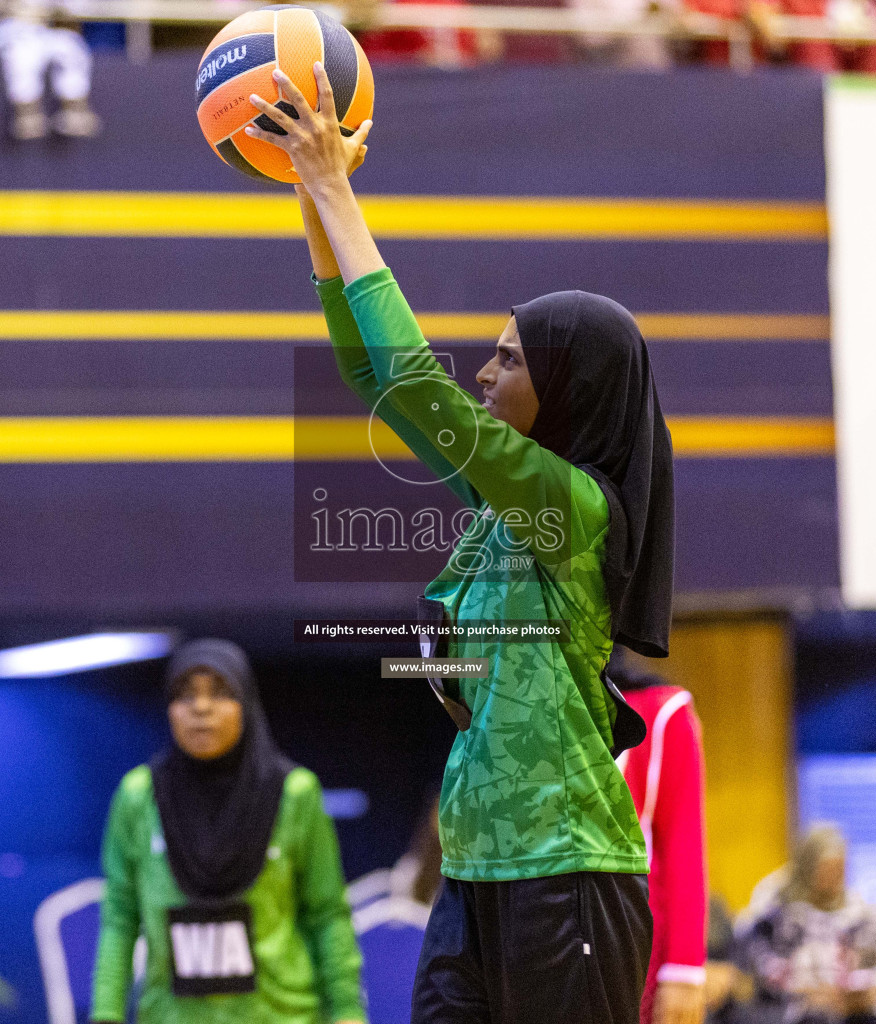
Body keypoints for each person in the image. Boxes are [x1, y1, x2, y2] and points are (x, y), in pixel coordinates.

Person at [247, 61, 675, 1024]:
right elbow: (377, 376)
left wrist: (334, 186)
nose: (484, 372)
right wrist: (309, 197)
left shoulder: (572, 508)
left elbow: (419, 384)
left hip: (569, 871)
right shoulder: (505, 507)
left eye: (511, 357)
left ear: (571, 391)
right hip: (476, 867)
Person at [90, 639, 365, 1024]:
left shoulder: (294, 792)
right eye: (185, 696)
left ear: (246, 703)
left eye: (220, 693)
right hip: (171, 1017)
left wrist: (348, 1011)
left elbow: (327, 914)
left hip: (282, 1016)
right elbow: (120, 917)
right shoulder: (138, 796)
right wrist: (106, 1013)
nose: (201, 708)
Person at [614, 666, 709, 1024]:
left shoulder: (660, 712)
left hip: (629, 945)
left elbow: (685, 846)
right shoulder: (512, 704)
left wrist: (685, 970)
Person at [744, 827, 876, 1024]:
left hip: (854, 1009)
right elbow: (761, 967)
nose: (836, 878)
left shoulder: (860, 915)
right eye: (828, 870)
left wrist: (869, 991)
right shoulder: (778, 914)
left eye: (840, 869)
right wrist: (809, 992)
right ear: (809, 867)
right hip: (794, 1009)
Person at [0, 0, 100, 141]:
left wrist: (52, 11)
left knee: (71, 45)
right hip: (8, 29)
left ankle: (74, 109)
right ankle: (26, 113)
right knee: (24, 53)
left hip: (44, 30)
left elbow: (79, 7)